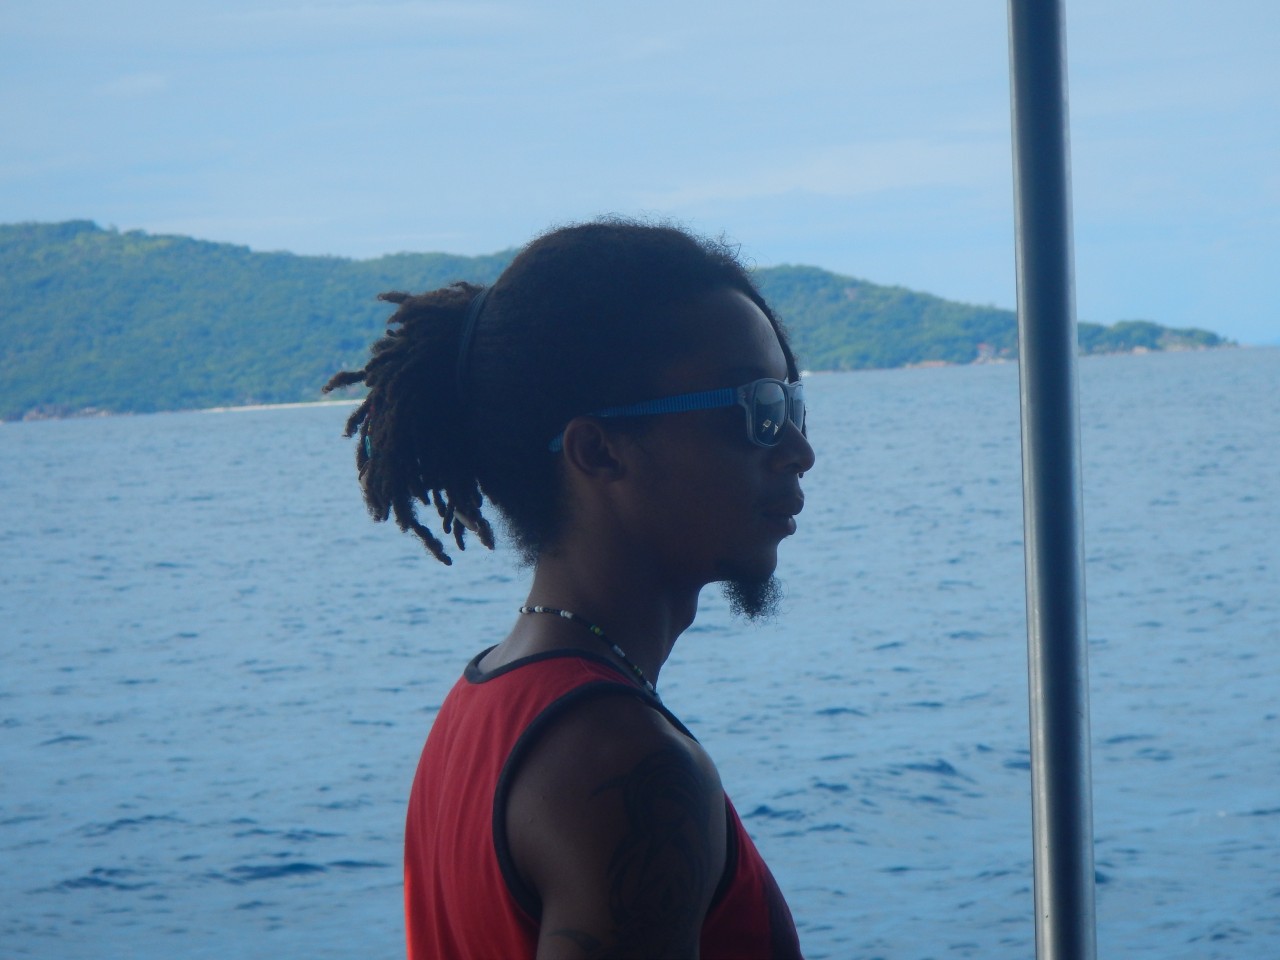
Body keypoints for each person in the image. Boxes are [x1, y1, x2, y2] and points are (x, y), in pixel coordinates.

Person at [324, 218, 815, 959]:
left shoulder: (482, 703)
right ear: (598, 451)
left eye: (792, 403)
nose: (798, 451)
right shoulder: (621, 763)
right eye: (758, 410)